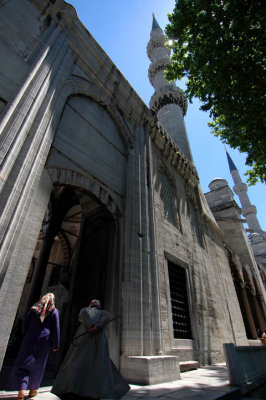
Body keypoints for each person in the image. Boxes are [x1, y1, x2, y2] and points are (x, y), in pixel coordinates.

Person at [51, 299, 130, 400]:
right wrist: (95, 326)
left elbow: (86, 320)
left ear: (91, 305)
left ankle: (72, 387)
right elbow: (100, 319)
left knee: (77, 362)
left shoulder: (85, 311)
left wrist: (92, 326)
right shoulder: (102, 314)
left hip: (86, 341)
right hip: (96, 342)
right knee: (99, 364)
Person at [6, 293, 60, 400]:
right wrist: (56, 344)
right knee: (38, 367)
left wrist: (27, 335)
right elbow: (56, 328)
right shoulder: (53, 311)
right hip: (44, 341)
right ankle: (32, 390)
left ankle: (21, 389)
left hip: (30, 338)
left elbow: (25, 323)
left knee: (24, 364)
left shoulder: (34, 309)